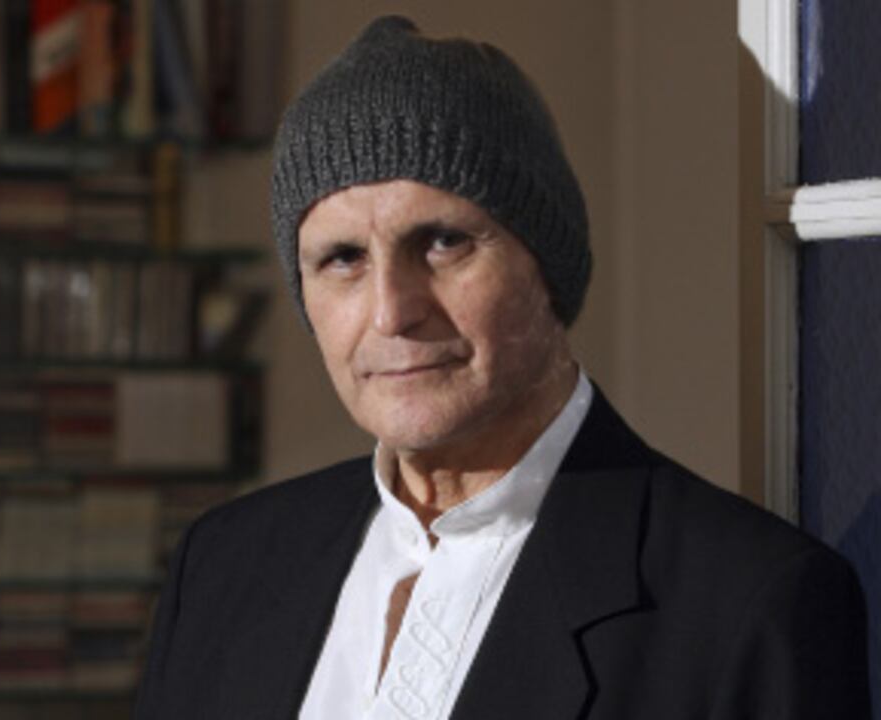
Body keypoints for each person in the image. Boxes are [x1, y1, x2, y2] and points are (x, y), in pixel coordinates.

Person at [134, 16, 870, 720]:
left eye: (443, 241)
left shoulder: (749, 605)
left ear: (548, 265)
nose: (391, 312)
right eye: (343, 258)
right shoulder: (223, 565)